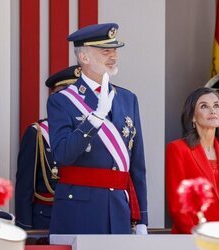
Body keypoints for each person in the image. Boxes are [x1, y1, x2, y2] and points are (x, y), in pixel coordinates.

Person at [47, 23, 148, 234]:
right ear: (84, 57)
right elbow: (63, 154)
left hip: (119, 207)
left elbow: (137, 164)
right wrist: (96, 118)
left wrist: (142, 219)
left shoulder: (128, 99)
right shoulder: (62, 101)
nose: (114, 57)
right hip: (80, 210)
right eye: (106, 51)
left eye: (115, 50)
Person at [15, 65, 81, 230]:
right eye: (65, 95)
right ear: (53, 97)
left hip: (84, 217)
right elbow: (24, 188)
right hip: (47, 221)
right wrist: (26, 230)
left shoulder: (93, 132)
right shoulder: (37, 133)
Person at [166, 87, 219, 234]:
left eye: (216, 105)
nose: (212, 111)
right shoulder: (177, 149)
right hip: (192, 239)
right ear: (193, 117)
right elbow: (178, 207)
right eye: (204, 106)